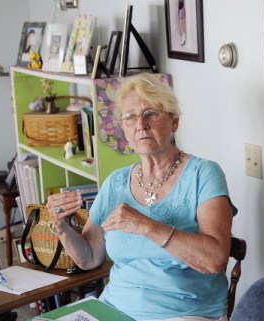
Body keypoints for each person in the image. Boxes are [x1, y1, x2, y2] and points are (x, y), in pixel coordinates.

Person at [46, 73, 237, 321]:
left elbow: (215, 260)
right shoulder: (115, 182)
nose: (141, 124)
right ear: (125, 130)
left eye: (152, 113)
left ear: (174, 121)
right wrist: (61, 227)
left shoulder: (204, 174)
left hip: (184, 311)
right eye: (131, 117)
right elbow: (90, 258)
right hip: (113, 309)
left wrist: (145, 225)